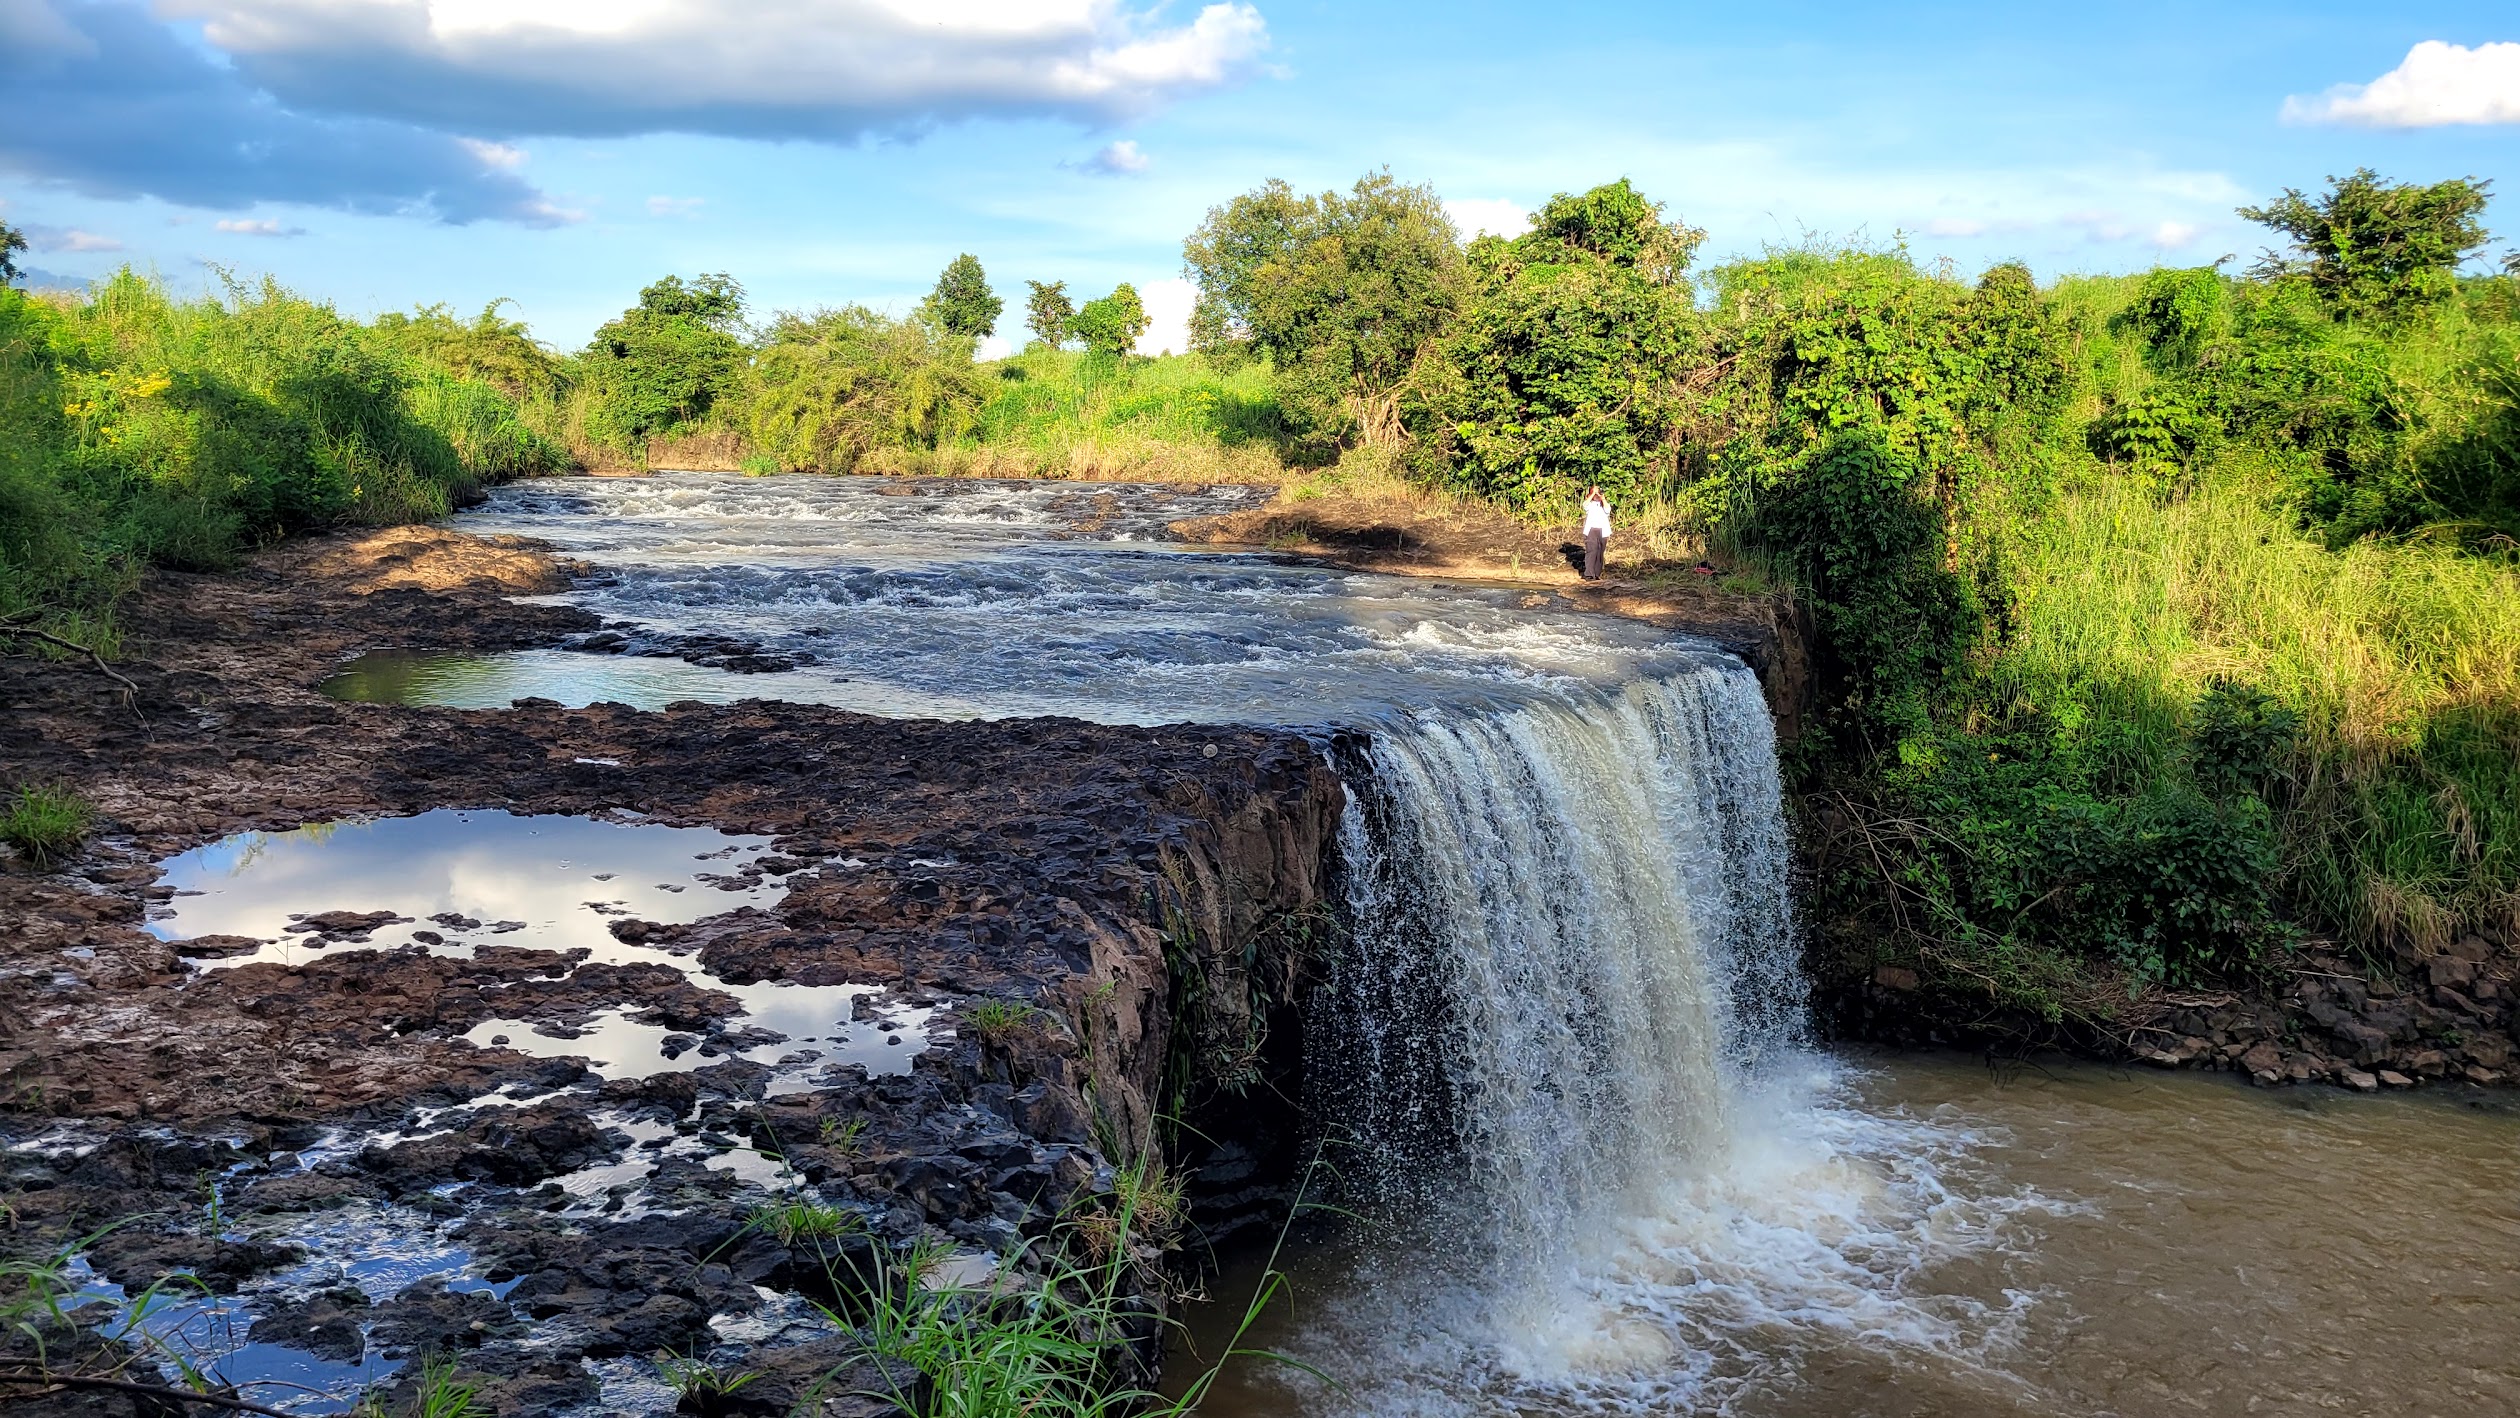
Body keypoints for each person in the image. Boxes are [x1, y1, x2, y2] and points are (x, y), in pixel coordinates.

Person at [1581, 486, 1611, 581]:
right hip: (1591, 530)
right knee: (1591, 550)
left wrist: (1602, 498)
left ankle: (1597, 573)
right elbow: (1584, 505)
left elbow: (1607, 510)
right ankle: (1589, 574)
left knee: (1600, 552)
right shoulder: (1590, 504)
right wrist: (1593, 494)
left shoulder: (1604, 504)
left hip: (1603, 530)